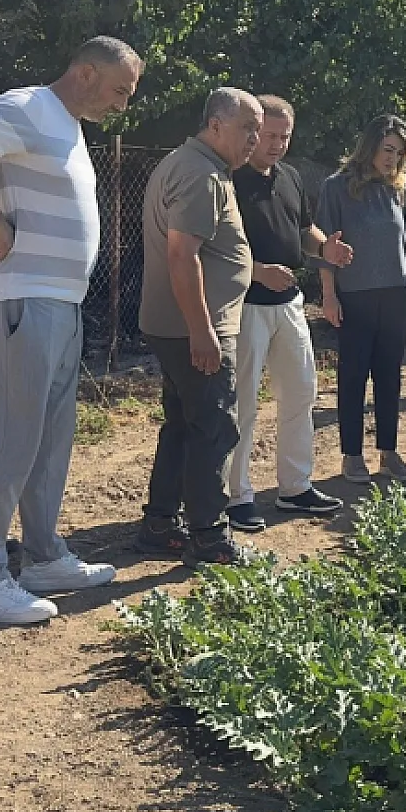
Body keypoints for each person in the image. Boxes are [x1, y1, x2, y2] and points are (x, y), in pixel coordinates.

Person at [0, 35, 142, 625]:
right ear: (86, 72)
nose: (122, 104)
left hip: (59, 302)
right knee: (12, 438)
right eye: (119, 90)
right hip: (21, 298)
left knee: (50, 437)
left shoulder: (67, 126)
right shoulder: (29, 107)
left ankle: (44, 556)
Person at [135, 89, 263, 566]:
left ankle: (160, 524)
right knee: (212, 428)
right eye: (246, 128)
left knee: (184, 427)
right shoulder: (201, 174)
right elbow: (181, 255)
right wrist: (203, 332)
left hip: (178, 324)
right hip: (195, 327)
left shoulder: (188, 164)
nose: (254, 138)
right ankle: (209, 535)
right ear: (215, 125)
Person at [227, 95, 354, 528]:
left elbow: (303, 228)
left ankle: (294, 488)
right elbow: (213, 247)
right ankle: (236, 496)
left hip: (289, 303)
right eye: (269, 135)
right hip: (244, 307)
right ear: (253, 131)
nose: (277, 144)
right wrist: (258, 271)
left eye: (285, 136)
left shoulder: (290, 176)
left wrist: (325, 247)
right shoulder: (229, 178)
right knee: (243, 402)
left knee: (302, 394)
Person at [316, 114, 406, 484]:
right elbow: (324, 248)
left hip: (395, 292)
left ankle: (389, 453)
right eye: (388, 149)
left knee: (389, 376)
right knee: (353, 376)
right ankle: (351, 455)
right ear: (371, 146)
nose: (392, 158)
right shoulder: (337, 187)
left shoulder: (398, 189)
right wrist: (328, 295)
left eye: (400, 152)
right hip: (355, 294)